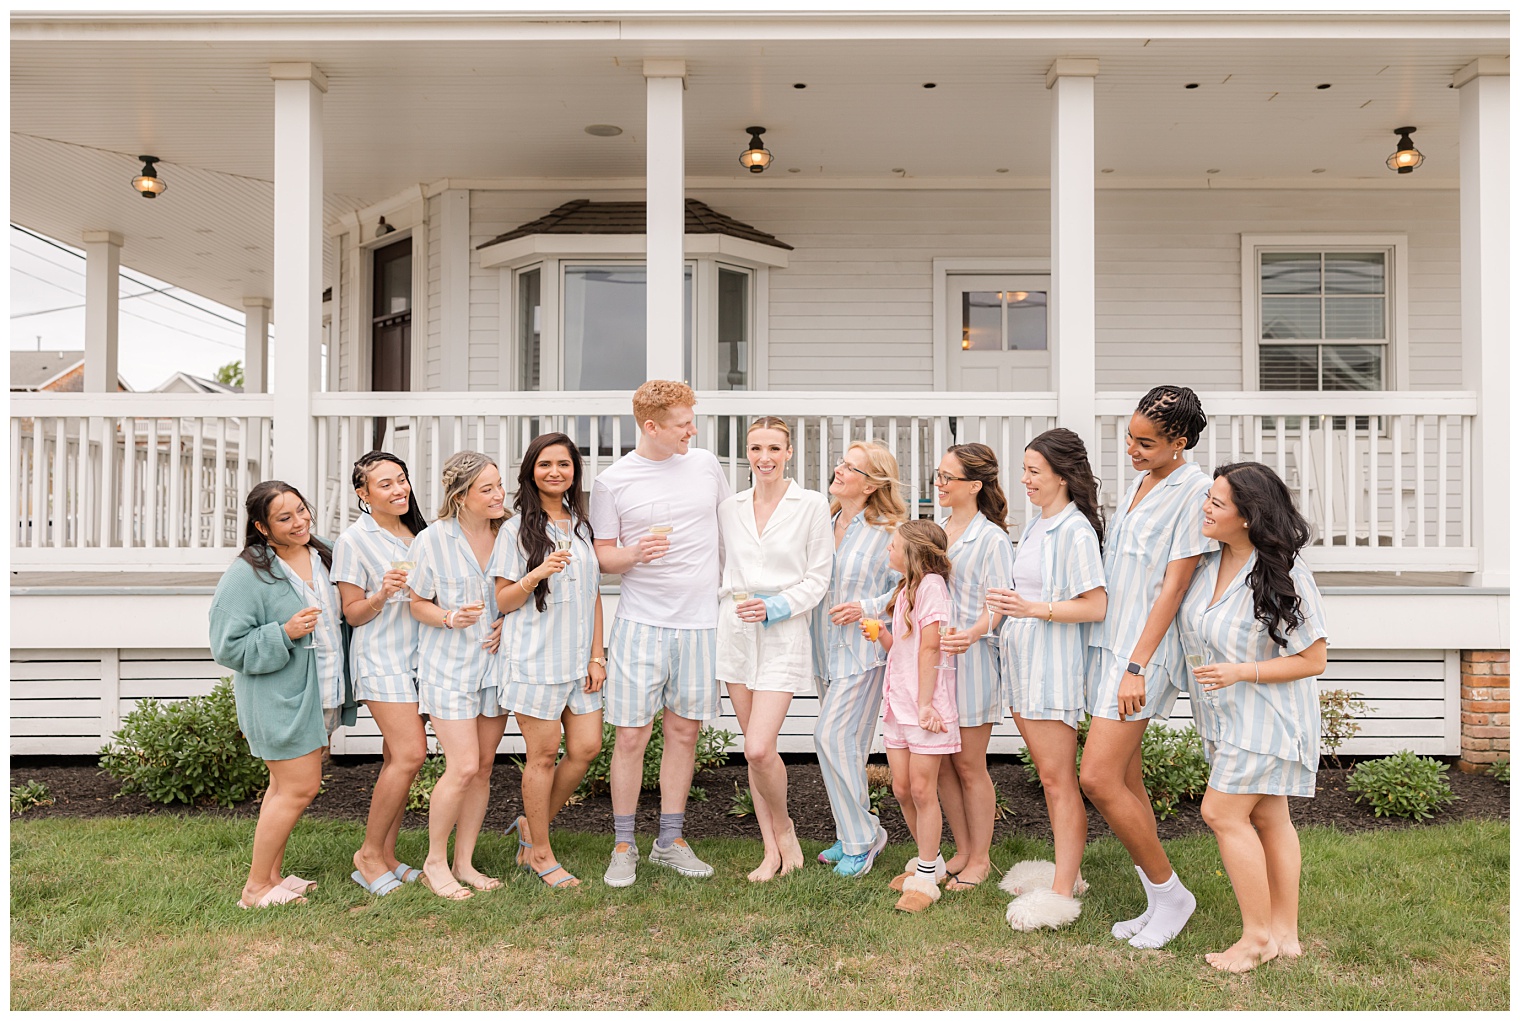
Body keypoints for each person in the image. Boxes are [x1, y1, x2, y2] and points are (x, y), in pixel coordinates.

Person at [1081, 384, 1216, 949]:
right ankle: (1157, 898)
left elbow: (1174, 586)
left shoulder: (1196, 490)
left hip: (1144, 652)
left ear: (1178, 442)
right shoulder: (1143, 480)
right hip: (1109, 644)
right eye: (1130, 438)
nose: (1132, 451)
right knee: (1126, 778)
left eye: (1145, 443)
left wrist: (1136, 664)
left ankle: (1171, 893)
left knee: (1098, 777)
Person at [1182, 462, 1328, 973]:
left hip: (1267, 717)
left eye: (1218, 504)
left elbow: (1313, 659)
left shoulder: (1285, 573)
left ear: (1248, 516)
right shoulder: (1208, 565)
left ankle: (1256, 938)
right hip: (1226, 718)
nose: (1206, 508)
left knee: (1221, 813)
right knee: (1269, 816)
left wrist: (1244, 672)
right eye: (1209, 498)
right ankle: (1284, 935)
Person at [590, 380, 732, 887]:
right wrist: (634, 555)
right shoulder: (613, 481)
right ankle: (624, 844)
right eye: (683, 423)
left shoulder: (705, 465)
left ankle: (669, 841)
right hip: (641, 623)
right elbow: (603, 555)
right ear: (651, 427)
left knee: (685, 732)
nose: (692, 430)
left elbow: (727, 534)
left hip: (700, 623)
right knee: (630, 735)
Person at [208, 481, 356, 909]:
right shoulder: (247, 573)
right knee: (300, 788)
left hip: (320, 694)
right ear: (262, 527)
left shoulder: (323, 552)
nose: (299, 522)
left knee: (281, 788)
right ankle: (255, 889)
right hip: (279, 700)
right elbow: (227, 646)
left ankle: (271, 877)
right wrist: (284, 633)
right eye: (284, 518)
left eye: (301, 511)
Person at [988, 428, 1108, 930]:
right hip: (1023, 665)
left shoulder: (1075, 530)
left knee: (1060, 782)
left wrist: (1031, 607)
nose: (1025, 480)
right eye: (1025, 470)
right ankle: (1066, 872)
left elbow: (1096, 605)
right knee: (1048, 777)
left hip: (1051, 669)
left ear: (1062, 475)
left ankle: (1062, 889)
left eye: (1034, 471)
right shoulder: (1039, 524)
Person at [716, 417, 833, 882]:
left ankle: (784, 829)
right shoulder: (730, 507)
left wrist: (776, 607)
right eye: (756, 447)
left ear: (789, 453)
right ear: (748, 452)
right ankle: (770, 851)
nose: (764, 457)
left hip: (783, 632)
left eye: (774, 448)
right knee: (750, 751)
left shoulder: (811, 505)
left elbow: (818, 579)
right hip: (736, 630)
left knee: (760, 747)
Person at [491, 433, 607, 890]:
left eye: (564, 464)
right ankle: (540, 852)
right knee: (541, 756)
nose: (555, 472)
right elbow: (501, 600)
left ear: (575, 472)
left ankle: (529, 827)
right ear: (530, 472)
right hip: (535, 660)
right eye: (545, 464)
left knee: (585, 749)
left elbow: (594, 594)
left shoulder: (581, 524)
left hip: (580, 662)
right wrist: (535, 574)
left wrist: (598, 656)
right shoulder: (514, 528)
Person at [408, 450, 509, 901]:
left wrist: (508, 619)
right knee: (463, 765)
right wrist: (450, 617)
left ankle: (464, 861)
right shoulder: (432, 540)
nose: (498, 495)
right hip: (448, 668)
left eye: (499, 485)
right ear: (461, 496)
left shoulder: (510, 533)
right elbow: (416, 603)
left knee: (484, 768)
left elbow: (519, 592)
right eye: (486, 489)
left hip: (497, 667)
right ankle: (434, 861)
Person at [334, 451, 430, 897]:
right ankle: (369, 855)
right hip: (381, 659)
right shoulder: (355, 541)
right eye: (386, 484)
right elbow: (352, 614)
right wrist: (381, 593)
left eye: (402, 479)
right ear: (363, 493)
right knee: (411, 754)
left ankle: (388, 856)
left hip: (422, 659)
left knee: (399, 760)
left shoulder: (421, 533)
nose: (399, 489)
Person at [812, 441, 907, 878]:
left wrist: (866, 606)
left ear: (871, 485)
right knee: (843, 746)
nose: (839, 470)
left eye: (850, 468)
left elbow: (908, 588)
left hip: (864, 652)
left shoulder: (890, 529)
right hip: (822, 649)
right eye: (841, 463)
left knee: (831, 738)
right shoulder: (823, 521)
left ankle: (861, 842)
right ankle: (857, 827)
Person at [929, 442, 1014, 891]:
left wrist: (976, 632)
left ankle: (980, 859)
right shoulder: (938, 529)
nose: (939, 484)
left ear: (975, 485)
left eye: (948, 478)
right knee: (941, 764)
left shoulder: (993, 539)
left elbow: (999, 604)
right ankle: (961, 850)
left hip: (973, 660)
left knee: (968, 764)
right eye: (938, 476)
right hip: (935, 663)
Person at [863, 519, 957, 913]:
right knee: (901, 788)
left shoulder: (932, 587)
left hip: (925, 707)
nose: (889, 549)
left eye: (894, 545)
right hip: (899, 703)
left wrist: (924, 705)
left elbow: (930, 649)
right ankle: (928, 864)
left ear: (914, 552)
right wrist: (880, 634)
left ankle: (927, 876)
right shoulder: (906, 589)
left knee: (922, 789)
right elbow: (903, 646)